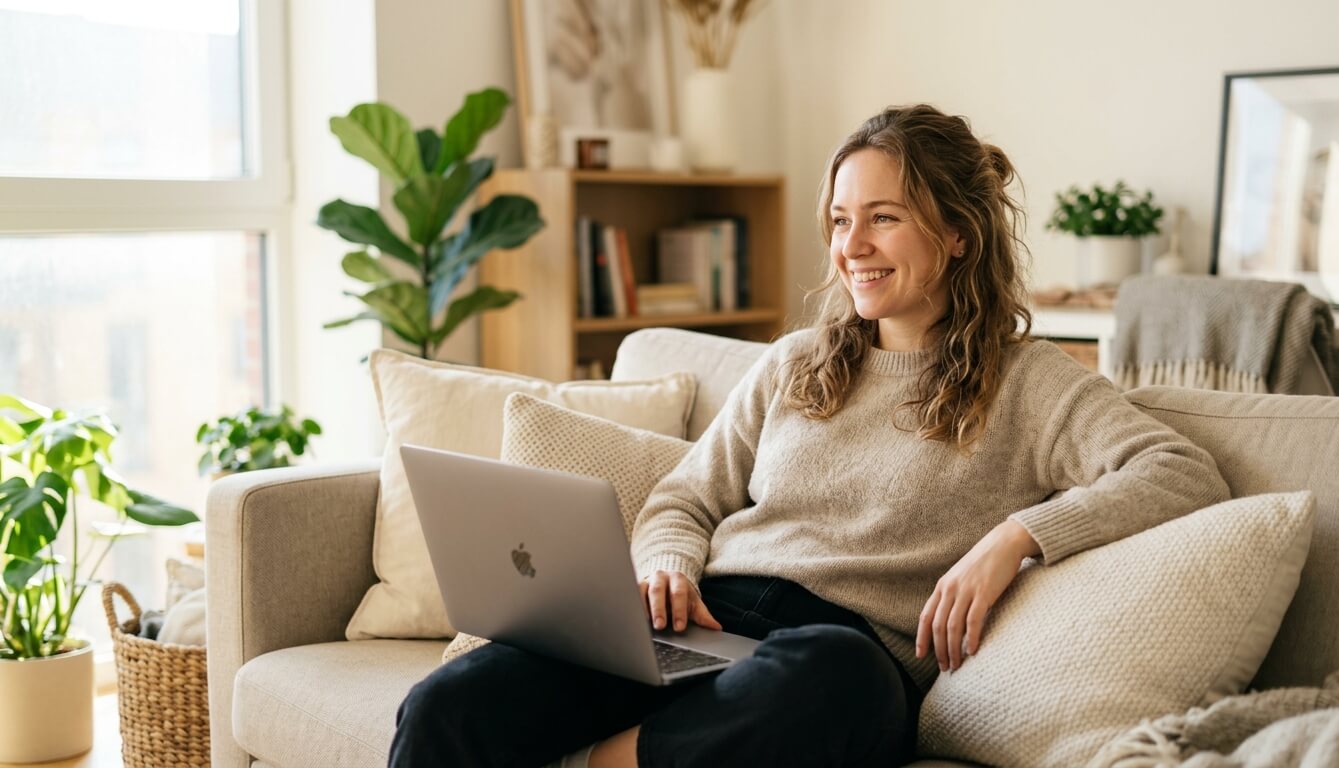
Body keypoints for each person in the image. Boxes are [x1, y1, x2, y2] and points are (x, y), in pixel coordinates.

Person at [388, 104, 1230, 768]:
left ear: (958, 233)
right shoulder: (796, 363)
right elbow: (687, 496)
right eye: (838, 220)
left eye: (883, 219)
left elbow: (1180, 471)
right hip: (701, 627)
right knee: (446, 706)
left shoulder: (1029, 381)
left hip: (833, 665)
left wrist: (1018, 538)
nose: (851, 247)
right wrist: (668, 565)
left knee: (840, 680)